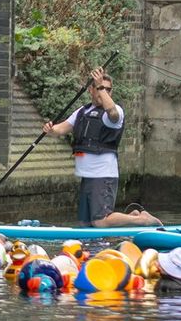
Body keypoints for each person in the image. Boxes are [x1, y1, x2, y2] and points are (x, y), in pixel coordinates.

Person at [43, 67, 125, 229]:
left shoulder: (116, 112)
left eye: (108, 90)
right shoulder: (83, 111)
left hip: (104, 174)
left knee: (100, 221)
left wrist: (100, 85)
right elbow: (61, 128)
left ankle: (142, 220)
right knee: (84, 223)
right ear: (90, 90)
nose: (105, 93)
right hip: (87, 175)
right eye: (101, 88)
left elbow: (112, 112)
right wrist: (50, 130)